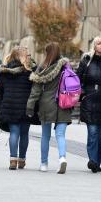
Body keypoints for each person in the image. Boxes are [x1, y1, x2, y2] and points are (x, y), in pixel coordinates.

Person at [26, 42, 71, 174]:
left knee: (45, 135)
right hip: (64, 103)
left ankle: (44, 163)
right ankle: (62, 157)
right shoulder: (66, 66)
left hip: (47, 103)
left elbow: (36, 90)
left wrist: (30, 106)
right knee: (60, 135)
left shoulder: (43, 67)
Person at [0, 46, 36, 170]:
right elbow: (35, 88)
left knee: (14, 132)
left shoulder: (5, 70)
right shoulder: (30, 71)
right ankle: (22, 159)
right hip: (25, 106)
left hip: (10, 105)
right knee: (24, 133)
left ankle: (13, 159)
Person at [76, 37, 101, 173]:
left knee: (100, 135)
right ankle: (92, 160)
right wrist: (83, 93)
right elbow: (77, 79)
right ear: (94, 46)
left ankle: (97, 161)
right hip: (89, 100)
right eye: (99, 43)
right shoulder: (86, 60)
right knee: (92, 133)